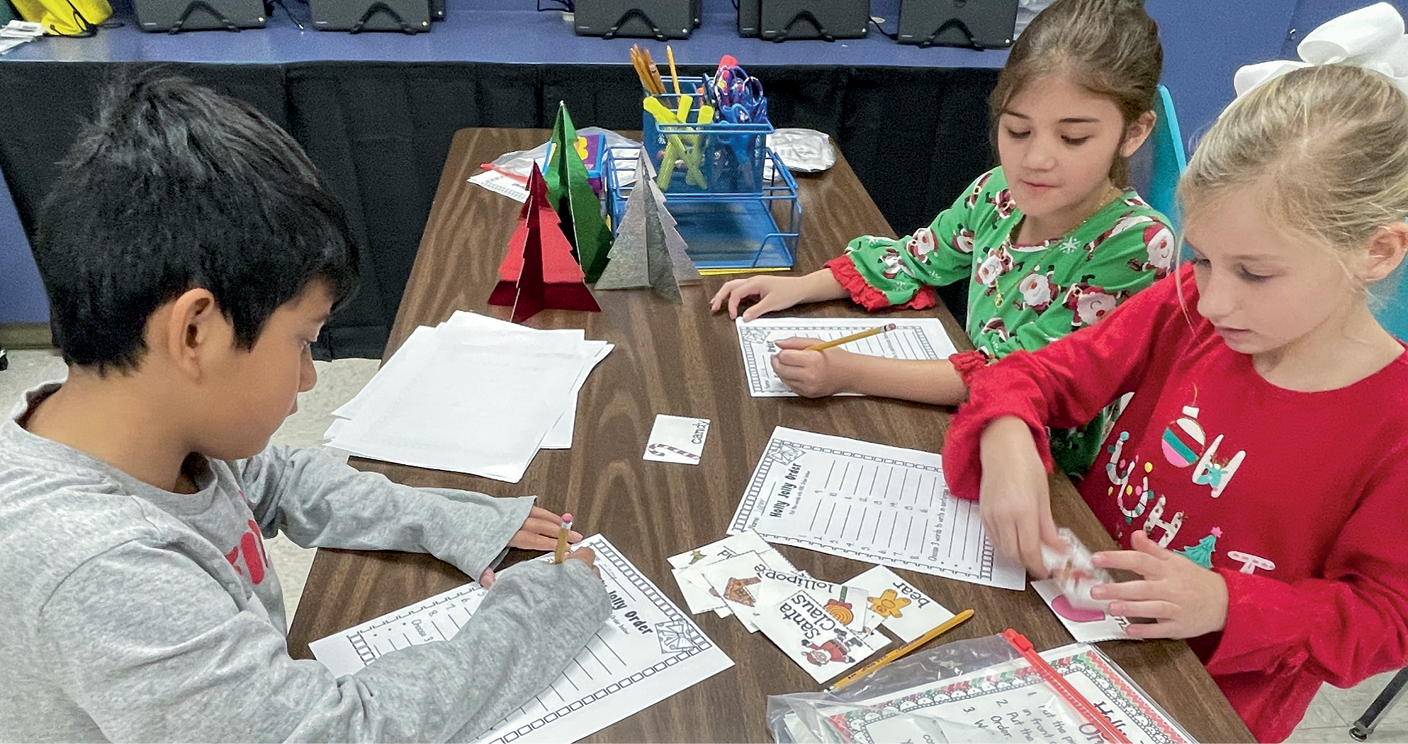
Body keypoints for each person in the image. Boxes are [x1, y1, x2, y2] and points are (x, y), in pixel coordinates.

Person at [0, 73, 609, 741]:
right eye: (303, 342)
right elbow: (333, 733)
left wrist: (447, 518)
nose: (310, 380)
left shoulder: (150, 436)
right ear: (195, 333)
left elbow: (282, 478)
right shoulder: (99, 571)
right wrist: (542, 612)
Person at [943, 64, 1408, 742]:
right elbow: (1033, 375)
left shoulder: (1392, 423)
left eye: (1253, 271)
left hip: (1197, 700)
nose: (1215, 299)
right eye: (1207, 259)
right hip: (1066, 631)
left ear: (1376, 251)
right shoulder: (1186, 303)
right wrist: (1008, 433)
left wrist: (1226, 601)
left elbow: (1386, 621)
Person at [711, 0, 1176, 477]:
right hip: (973, 429)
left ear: (1133, 132)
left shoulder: (1137, 244)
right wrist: (800, 286)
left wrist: (848, 373)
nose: (1035, 158)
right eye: (1017, 130)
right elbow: (915, 259)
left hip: (1046, 473)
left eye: (1072, 139)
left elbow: (1014, 377)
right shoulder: (998, 193)